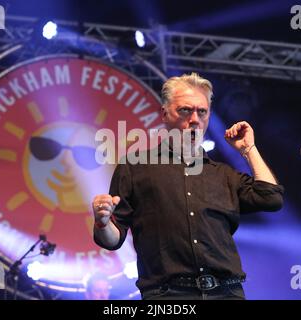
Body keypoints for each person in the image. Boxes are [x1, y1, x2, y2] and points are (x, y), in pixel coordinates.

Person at [92, 73, 284, 300]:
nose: (194, 119)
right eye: (185, 110)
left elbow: (271, 198)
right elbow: (113, 240)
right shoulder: (135, 168)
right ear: (165, 114)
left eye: (201, 112)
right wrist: (103, 223)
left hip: (227, 292)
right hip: (168, 295)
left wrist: (248, 150)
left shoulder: (223, 175)